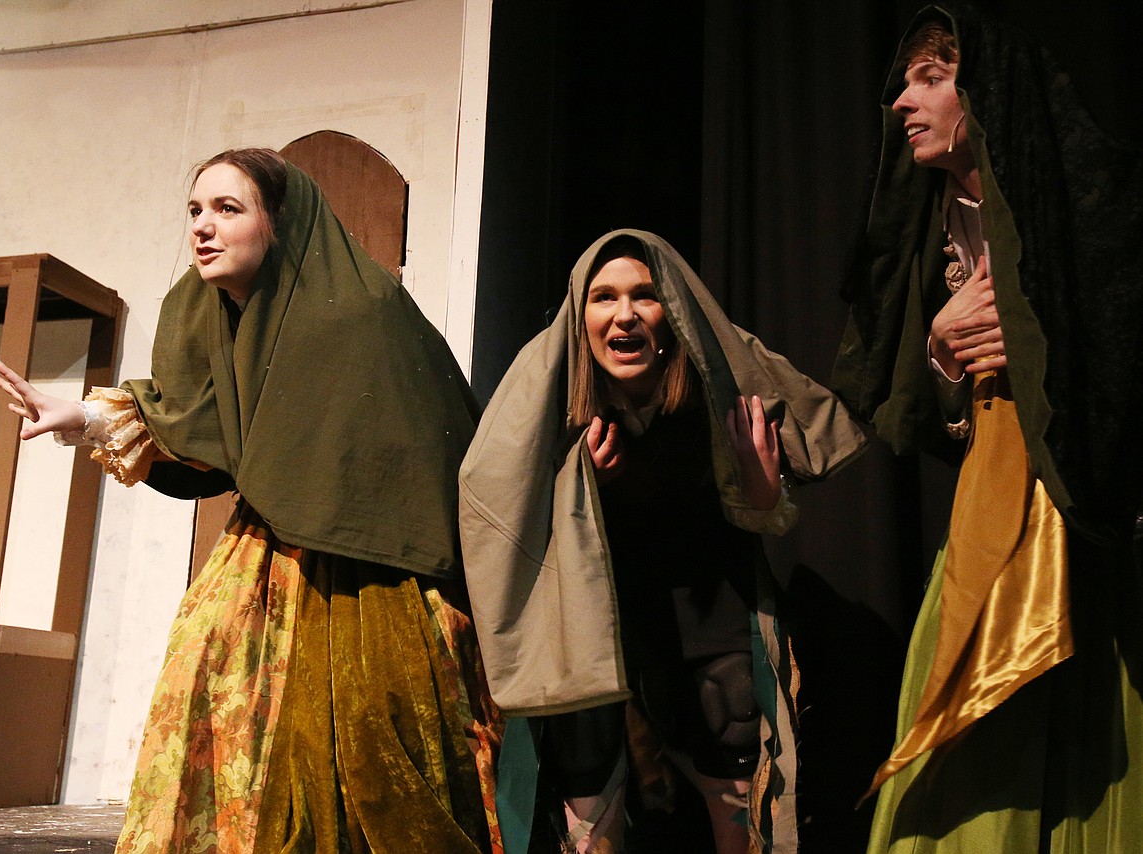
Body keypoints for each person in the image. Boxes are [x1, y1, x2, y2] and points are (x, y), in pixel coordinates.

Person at [0, 148, 501, 853]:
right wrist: (79, 418)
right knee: (213, 698)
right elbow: (191, 421)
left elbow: (421, 447)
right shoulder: (201, 313)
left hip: (374, 567)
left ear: (279, 225)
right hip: (266, 552)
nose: (203, 227)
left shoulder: (360, 313)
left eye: (228, 209)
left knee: (365, 741)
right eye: (195, 211)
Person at [833, 5, 1143, 850]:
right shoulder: (935, 227)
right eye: (904, 81)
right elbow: (932, 422)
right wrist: (940, 351)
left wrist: (1049, 337)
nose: (903, 100)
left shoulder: (1082, 213)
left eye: (931, 79)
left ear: (989, 94)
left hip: (1079, 519)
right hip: (988, 506)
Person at [459, 230, 866, 853]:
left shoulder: (714, 386)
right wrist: (587, 489)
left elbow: (757, 508)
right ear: (580, 313)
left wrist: (758, 494)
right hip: (593, 632)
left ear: (670, 311)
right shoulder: (547, 404)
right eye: (604, 298)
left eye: (644, 296)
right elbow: (497, 497)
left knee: (734, 776)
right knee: (589, 798)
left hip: (703, 631)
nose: (624, 315)